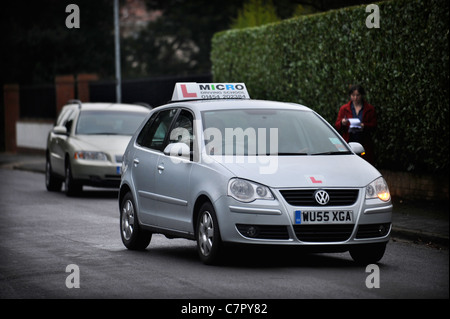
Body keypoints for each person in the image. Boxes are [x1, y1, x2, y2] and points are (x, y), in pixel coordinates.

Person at [335, 84, 377, 165]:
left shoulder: (369, 109)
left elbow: (374, 125)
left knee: (364, 163)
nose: (355, 98)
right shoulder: (344, 109)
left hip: (364, 143)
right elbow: (337, 125)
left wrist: (364, 126)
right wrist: (342, 123)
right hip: (349, 142)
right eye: (353, 95)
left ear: (362, 95)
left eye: (358, 95)